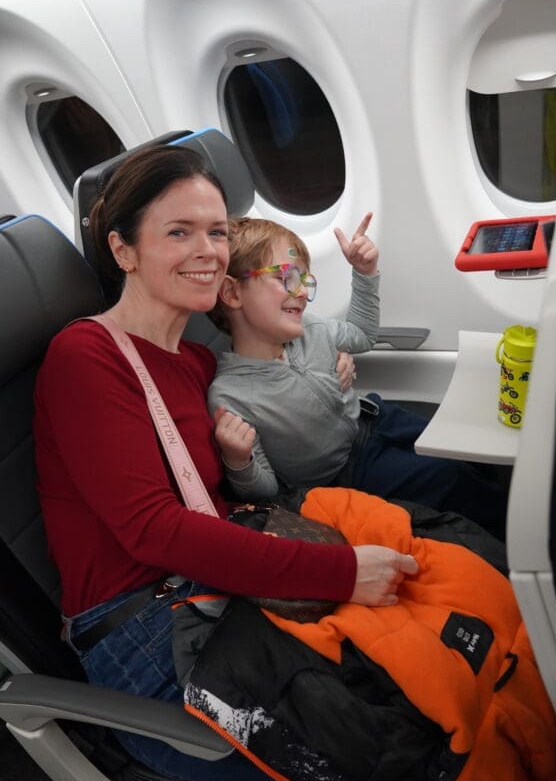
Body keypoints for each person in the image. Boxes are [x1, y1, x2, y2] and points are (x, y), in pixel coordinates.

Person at [33, 144, 417, 781]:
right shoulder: (85, 357)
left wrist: (328, 375)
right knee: (397, 748)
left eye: (216, 230)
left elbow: (272, 400)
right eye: (178, 232)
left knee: (419, 667)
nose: (209, 249)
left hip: (215, 586)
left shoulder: (197, 364)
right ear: (123, 250)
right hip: (147, 635)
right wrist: (341, 573)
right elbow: (157, 531)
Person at [208, 216, 508, 540]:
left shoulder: (313, 330)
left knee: (460, 450)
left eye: (305, 280)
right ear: (232, 292)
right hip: (348, 473)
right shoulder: (232, 395)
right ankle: (516, 536)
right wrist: (240, 462)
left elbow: (362, 335)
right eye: (287, 277)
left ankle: (507, 497)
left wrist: (364, 274)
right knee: (449, 479)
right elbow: (264, 490)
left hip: (377, 419)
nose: (301, 292)